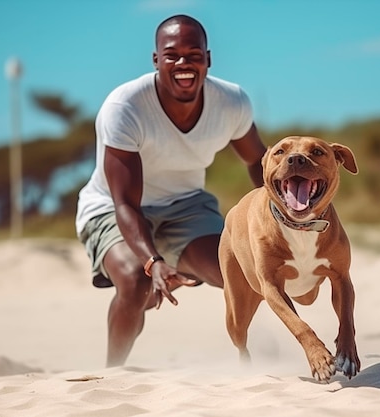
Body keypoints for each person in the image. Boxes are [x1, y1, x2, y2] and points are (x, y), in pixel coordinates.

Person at [75, 14, 267, 367]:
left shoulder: (232, 103)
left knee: (238, 272)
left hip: (187, 205)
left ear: (208, 59)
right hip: (112, 209)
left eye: (194, 54)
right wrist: (153, 261)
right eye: (172, 55)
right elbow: (126, 204)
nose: (183, 63)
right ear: (156, 60)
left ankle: (265, 356)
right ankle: (112, 373)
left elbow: (258, 162)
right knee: (135, 280)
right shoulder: (125, 108)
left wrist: (282, 210)